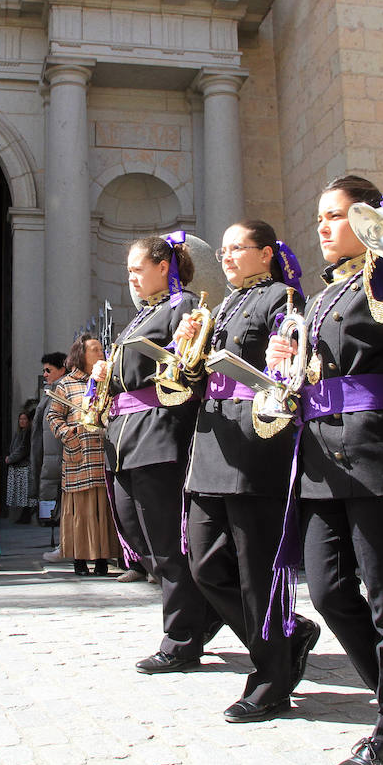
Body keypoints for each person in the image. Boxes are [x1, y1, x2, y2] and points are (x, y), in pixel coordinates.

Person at [264, 185, 383, 765]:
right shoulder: (319, 296)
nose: (321, 227)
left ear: (365, 218)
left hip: (375, 457)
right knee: (328, 591)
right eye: (317, 217)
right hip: (320, 458)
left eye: (335, 216)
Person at [175, 220, 321, 722]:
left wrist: (283, 356)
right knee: (205, 564)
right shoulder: (221, 305)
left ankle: (271, 680)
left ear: (265, 253)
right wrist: (186, 346)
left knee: (258, 573)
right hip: (212, 439)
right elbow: (195, 376)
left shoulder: (283, 298)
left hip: (255, 441)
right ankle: (287, 633)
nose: (228, 256)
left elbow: (290, 367)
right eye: (224, 249)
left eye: (239, 248)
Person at [91, 234, 219, 672]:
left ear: (163, 266)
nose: (130, 276)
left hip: (158, 432)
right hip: (125, 436)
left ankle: (181, 639)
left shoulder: (180, 308)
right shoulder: (141, 315)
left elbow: (186, 367)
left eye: (137, 268)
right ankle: (203, 613)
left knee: (166, 542)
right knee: (135, 534)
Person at [47, 334, 120, 576]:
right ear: (82, 354)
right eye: (95, 349)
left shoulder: (107, 381)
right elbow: (53, 417)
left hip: (103, 455)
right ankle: (79, 558)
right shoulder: (66, 384)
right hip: (79, 456)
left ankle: (101, 558)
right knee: (81, 510)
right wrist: (70, 435)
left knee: (103, 509)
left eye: (101, 349)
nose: (100, 353)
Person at [32, 352, 67, 562]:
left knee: (64, 504)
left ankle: (66, 545)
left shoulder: (61, 389)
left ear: (62, 369)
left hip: (59, 458)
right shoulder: (50, 391)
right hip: (51, 457)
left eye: (49, 370)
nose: (45, 374)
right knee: (59, 505)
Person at [3, 408, 34, 522]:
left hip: (23, 466)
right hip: (16, 466)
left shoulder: (28, 433)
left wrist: (10, 459)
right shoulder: (18, 433)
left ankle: (25, 516)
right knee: (20, 494)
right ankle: (22, 516)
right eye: (20, 419)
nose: (22, 421)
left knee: (25, 494)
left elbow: (23, 449)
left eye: (24, 419)